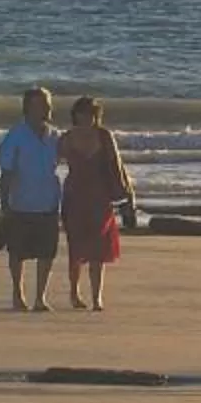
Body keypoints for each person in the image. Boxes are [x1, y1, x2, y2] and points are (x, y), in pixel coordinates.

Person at [57, 94, 137, 312]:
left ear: (96, 116)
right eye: (82, 114)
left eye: (91, 114)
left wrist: (128, 195)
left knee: (98, 249)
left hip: (100, 196)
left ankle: (96, 297)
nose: (86, 118)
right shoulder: (67, 137)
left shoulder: (104, 136)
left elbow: (117, 166)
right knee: (76, 247)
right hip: (75, 196)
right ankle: (74, 293)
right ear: (75, 115)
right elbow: (50, 164)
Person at [0, 87, 66, 311]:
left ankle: (40, 298)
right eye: (40, 104)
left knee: (47, 252)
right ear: (28, 108)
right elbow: (6, 172)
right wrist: (4, 204)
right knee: (17, 251)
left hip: (48, 201)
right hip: (21, 202)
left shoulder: (55, 136)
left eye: (47, 103)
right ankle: (18, 294)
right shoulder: (15, 135)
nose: (46, 108)